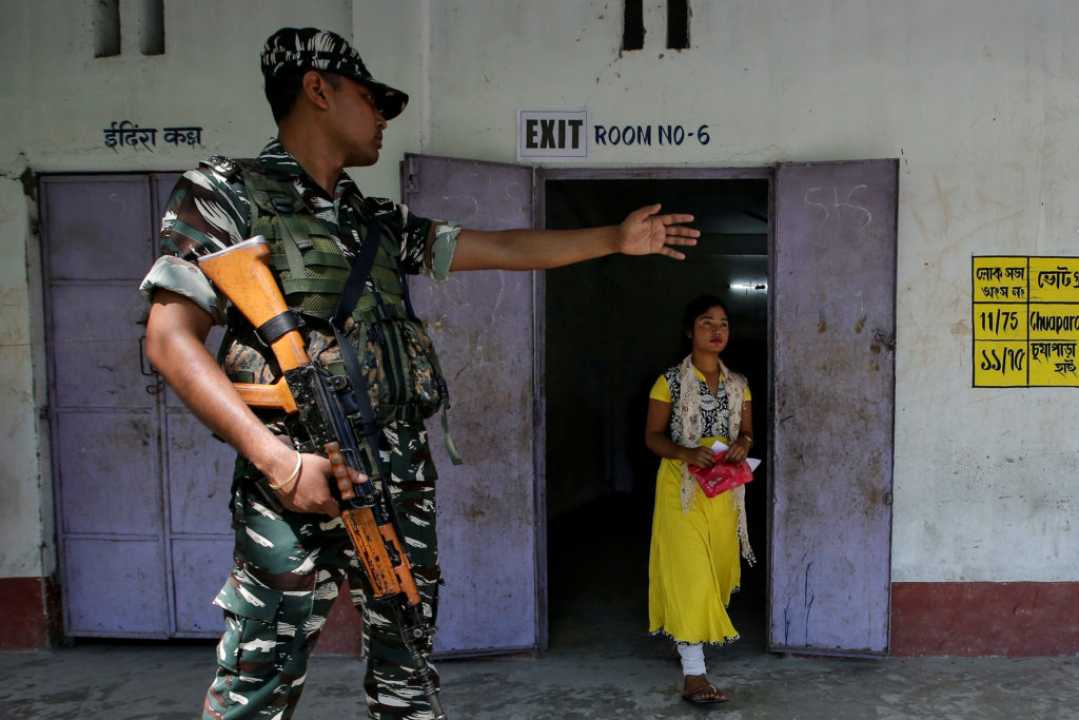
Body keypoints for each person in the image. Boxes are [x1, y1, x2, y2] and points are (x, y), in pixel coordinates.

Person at [139, 26, 700, 720]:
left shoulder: (374, 220)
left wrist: (613, 240)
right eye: (374, 99)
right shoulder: (226, 193)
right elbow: (169, 340)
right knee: (257, 681)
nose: (383, 118)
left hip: (396, 475)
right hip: (294, 475)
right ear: (319, 88)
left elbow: (496, 246)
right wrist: (278, 463)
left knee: (407, 672)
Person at [643, 295, 756, 705]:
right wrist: (686, 453)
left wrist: (743, 444)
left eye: (723, 323)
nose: (716, 330)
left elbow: (746, 433)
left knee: (717, 569)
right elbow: (652, 436)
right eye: (706, 323)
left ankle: (688, 640)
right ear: (690, 331)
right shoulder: (669, 381)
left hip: (723, 489)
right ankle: (694, 674)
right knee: (690, 572)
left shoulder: (739, 384)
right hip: (682, 489)